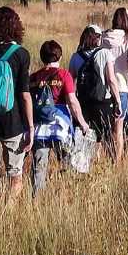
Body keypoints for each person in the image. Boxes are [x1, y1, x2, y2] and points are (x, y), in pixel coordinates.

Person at [0, 6, 33, 204]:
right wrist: (30, 126)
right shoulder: (21, 54)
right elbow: (25, 95)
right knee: (15, 174)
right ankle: (7, 211)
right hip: (14, 121)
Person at [27, 39, 89, 193]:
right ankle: (68, 193)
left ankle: (37, 199)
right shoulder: (63, 75)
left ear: (42, 57)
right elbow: (72, 102)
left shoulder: (34, 77)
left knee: (39, 167)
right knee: (68, 162)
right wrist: (82, 123)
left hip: (40, 127)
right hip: (60, 126)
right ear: (59, 57)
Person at [70, 24, 119, 160]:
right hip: (102, 101)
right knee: (107, 136)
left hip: (83, 103)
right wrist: (118, 101)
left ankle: (84, 165)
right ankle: (111, 164)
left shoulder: (75, 57)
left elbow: (71, 83)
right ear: (97, 37)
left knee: (85, 136)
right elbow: (111, 80)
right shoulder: (105, 53)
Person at [104, 7, 128, 159]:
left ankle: (106, 156)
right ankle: (117, 159)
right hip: (122, 87)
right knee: (118, 127)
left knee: (105, 126)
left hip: (104, 87)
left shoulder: (103, 38)